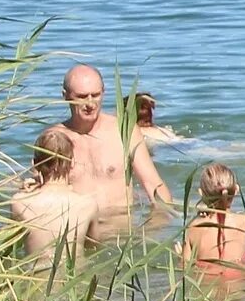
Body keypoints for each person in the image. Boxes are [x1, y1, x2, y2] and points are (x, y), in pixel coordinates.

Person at [59, 64, 175, 221]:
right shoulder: (55, 138)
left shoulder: (124, 131)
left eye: (96, 95)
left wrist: (157, 227)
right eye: (82, 96)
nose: (90, 104)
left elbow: (153, 184)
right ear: (65, 96)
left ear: (104, 93)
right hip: (79, 233)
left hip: (122, 234)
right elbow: (44, 193)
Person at [10, 126, 98, 257]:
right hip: (75, 275)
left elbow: (11, 246)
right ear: (72, 163)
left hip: (37, 275)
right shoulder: (88, 205)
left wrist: (25, 190)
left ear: (34, 164)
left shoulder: (19, 203)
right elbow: (94, 249)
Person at [180, 162, 245, 287]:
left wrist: (179, 255)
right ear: (236, 190)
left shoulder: (193, 227)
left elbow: (184, 266)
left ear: (201, 193)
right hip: (236, 283)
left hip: (208, 284)